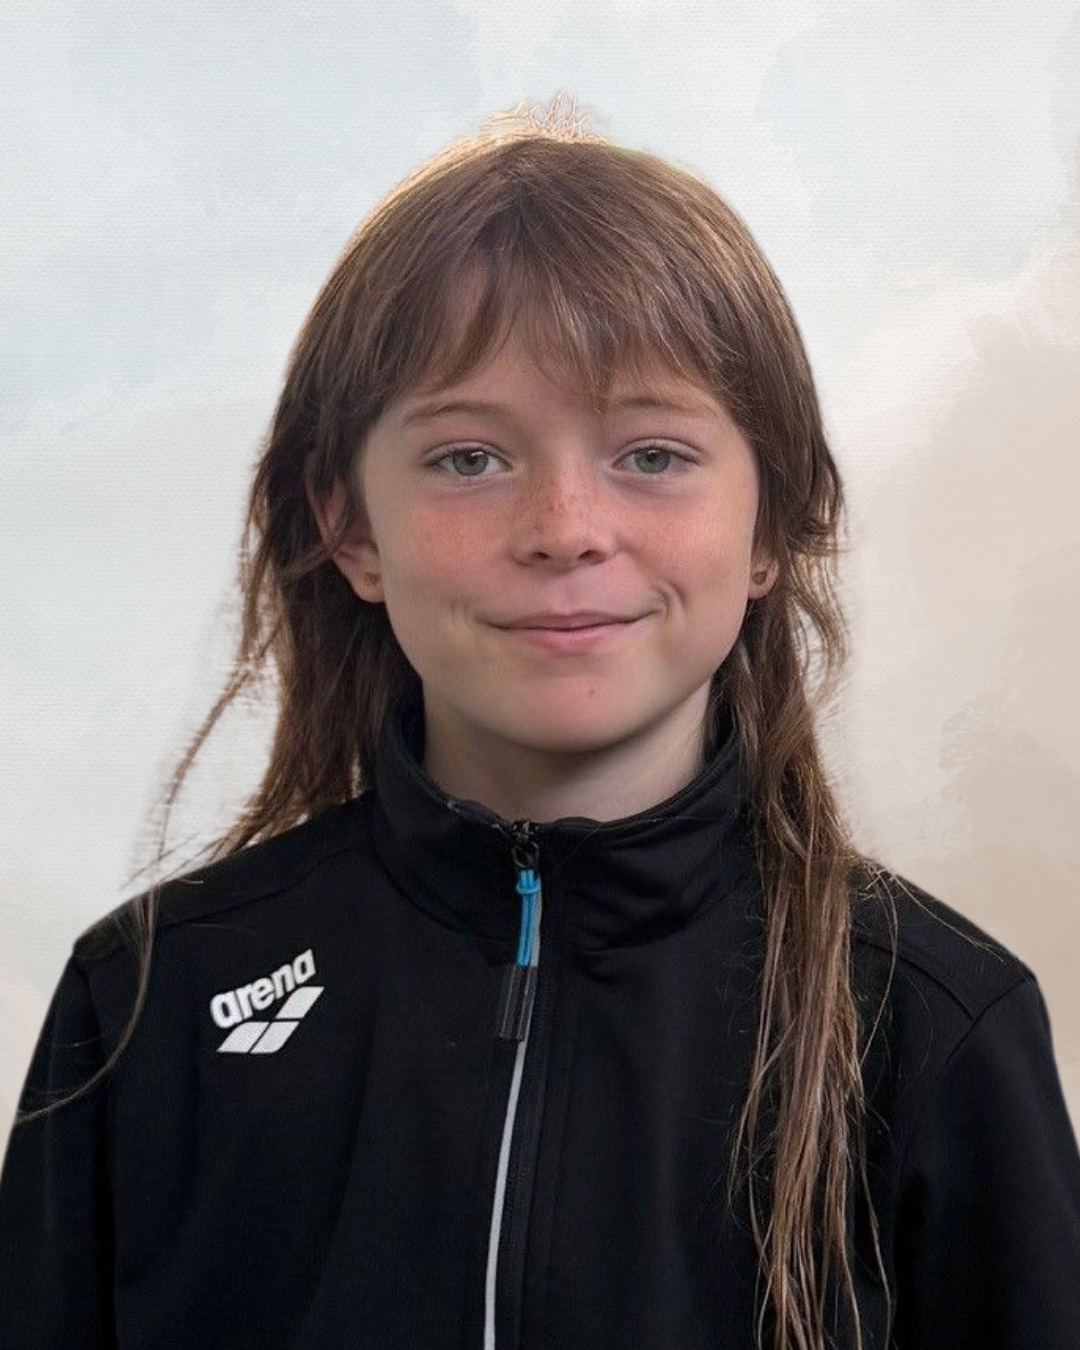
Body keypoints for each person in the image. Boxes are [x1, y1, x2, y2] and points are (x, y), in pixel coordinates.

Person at [1, 92, 1078, 1350]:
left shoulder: (930, 1021)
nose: (567, 527)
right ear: (349, 526)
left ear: (773, 523)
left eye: (653, 454)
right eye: (470, 458)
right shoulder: (150, 999)